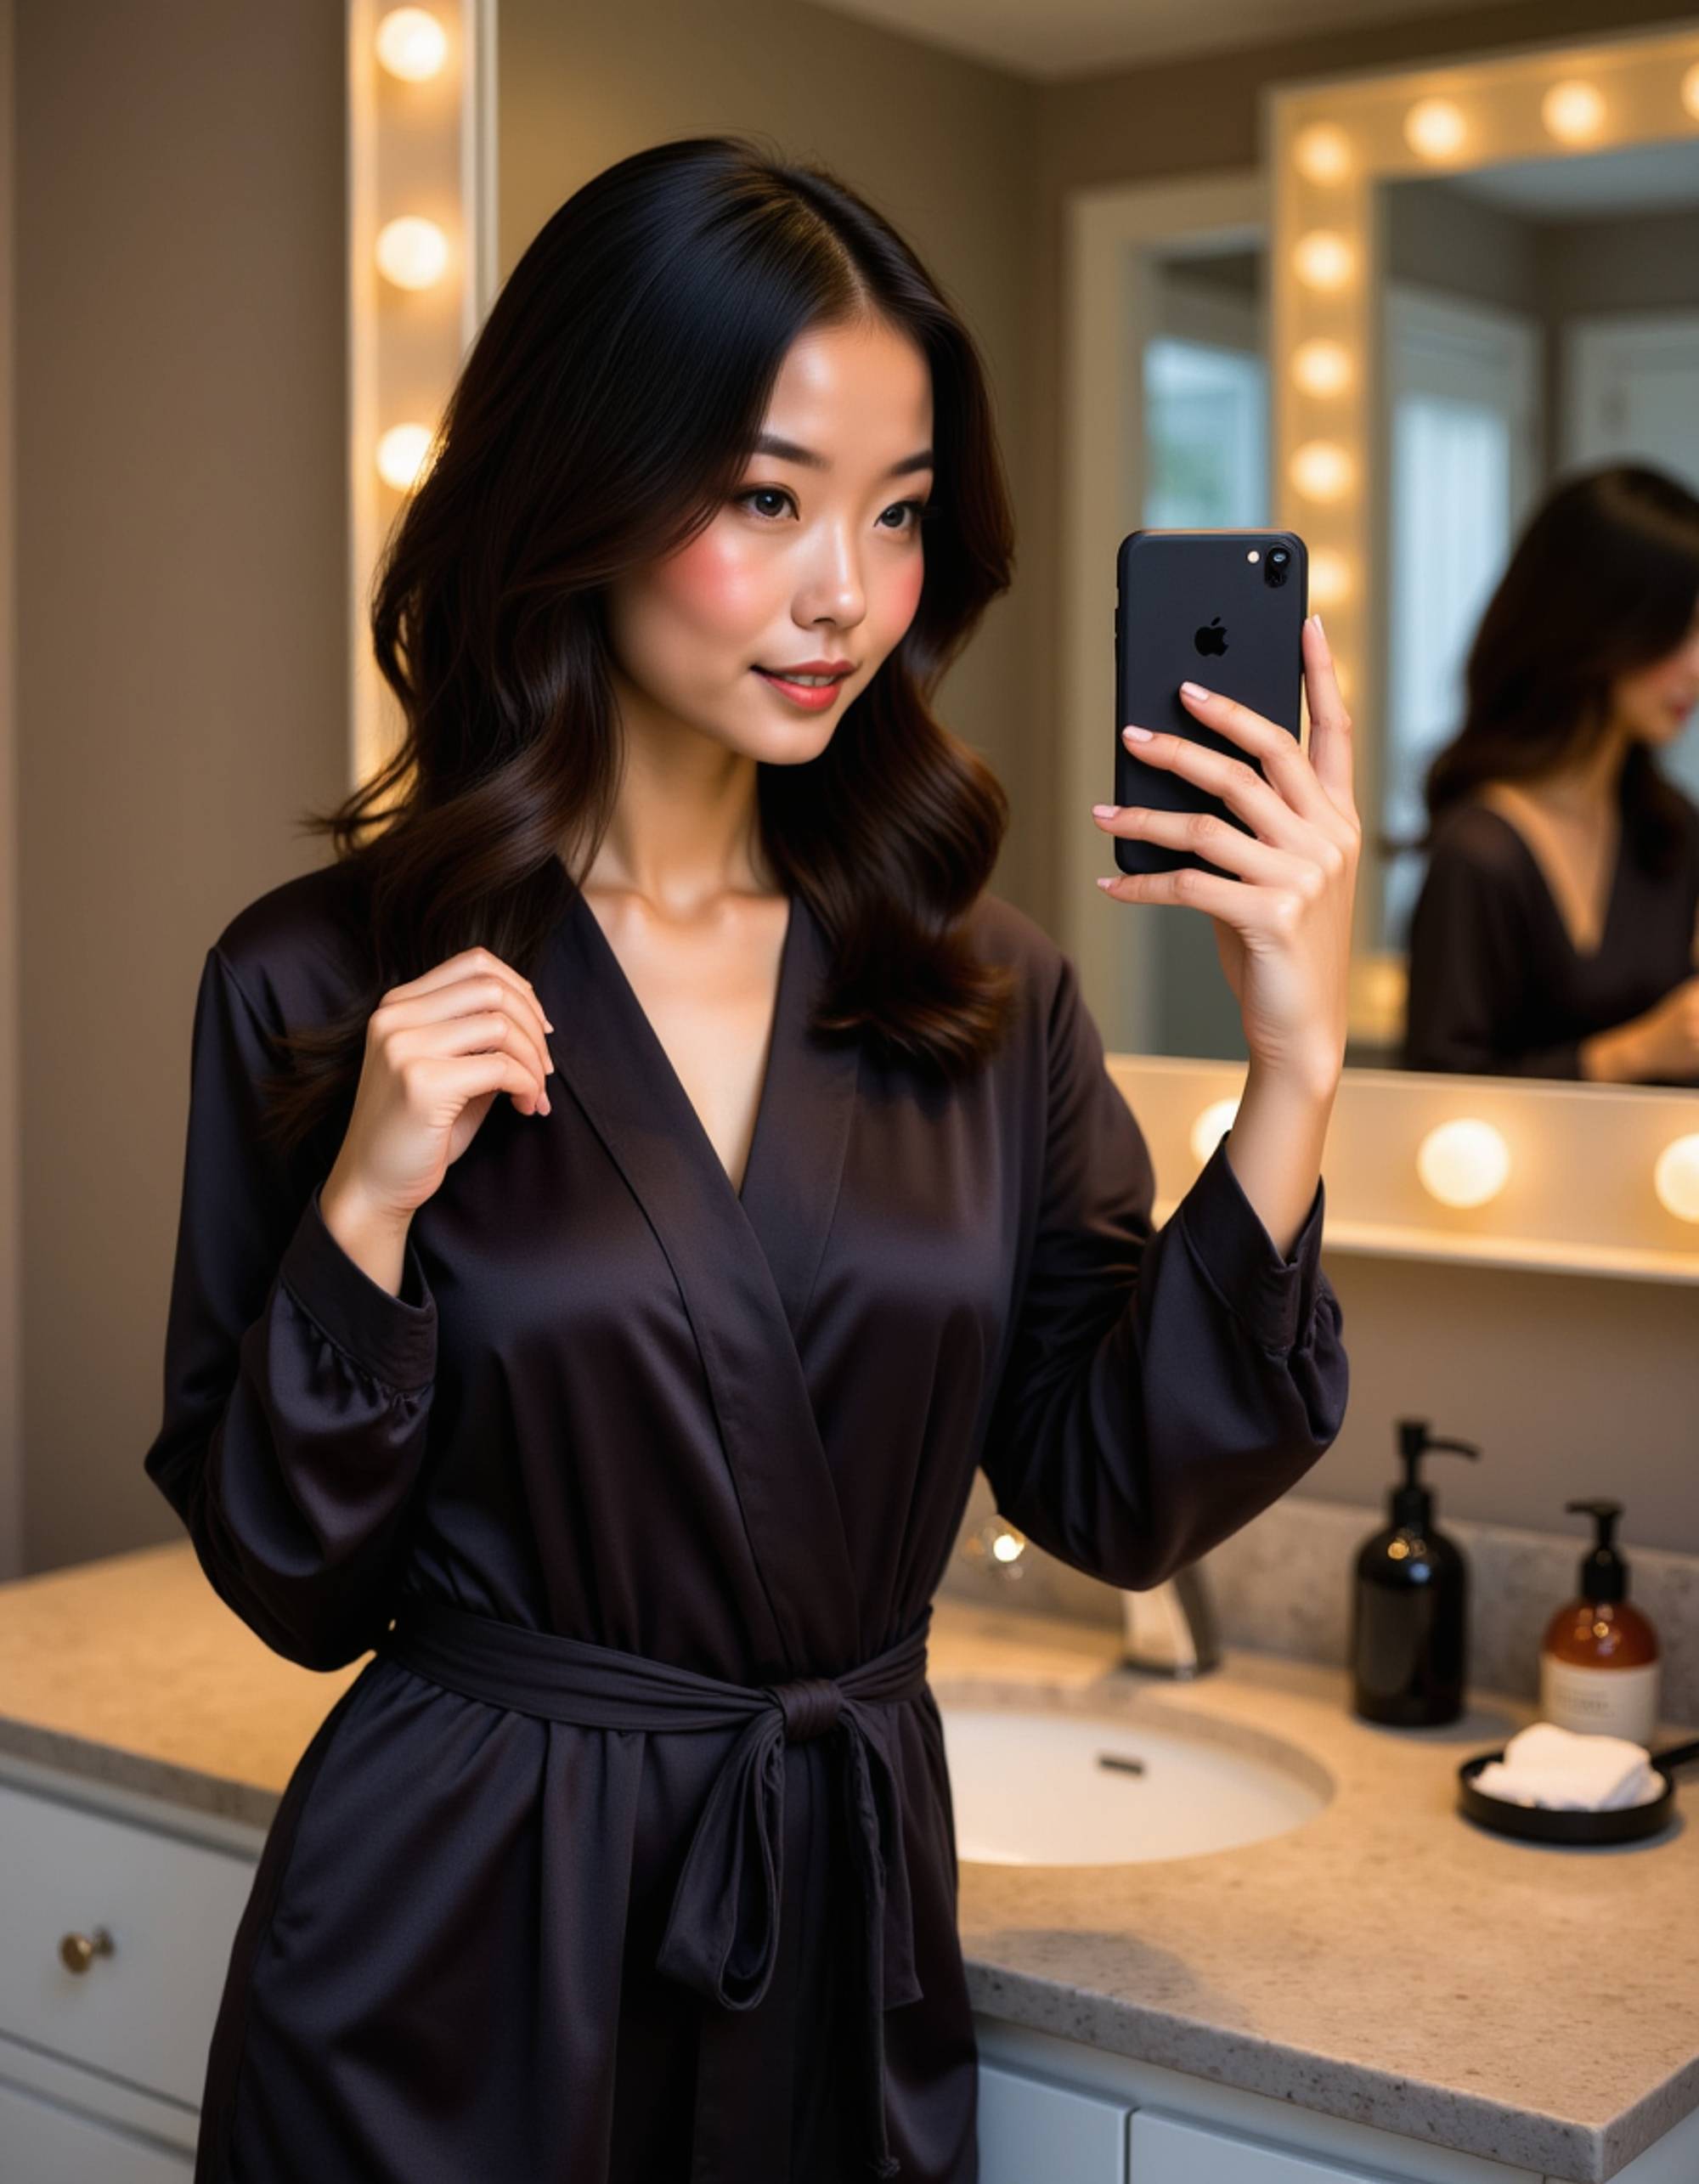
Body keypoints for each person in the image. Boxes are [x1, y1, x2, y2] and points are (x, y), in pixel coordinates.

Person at [144, 135, 1355, 2184]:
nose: (841, 598)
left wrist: (1297, 1062)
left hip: (836, 1932)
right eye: (764, 498)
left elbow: (1111, 1487)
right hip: (444, 1954)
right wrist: (364, 1204)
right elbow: (290, 1579)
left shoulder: (981, 992)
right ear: (585, 490)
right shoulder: (322, 982)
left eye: (892, 519)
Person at [1401, 463, 1699, 1083]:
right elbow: (1438, 1104)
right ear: (1599, 623)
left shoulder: (1667, 827)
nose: (1695, 665)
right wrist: (1634, 1052)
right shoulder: (1479, 855)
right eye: (1676, 629)